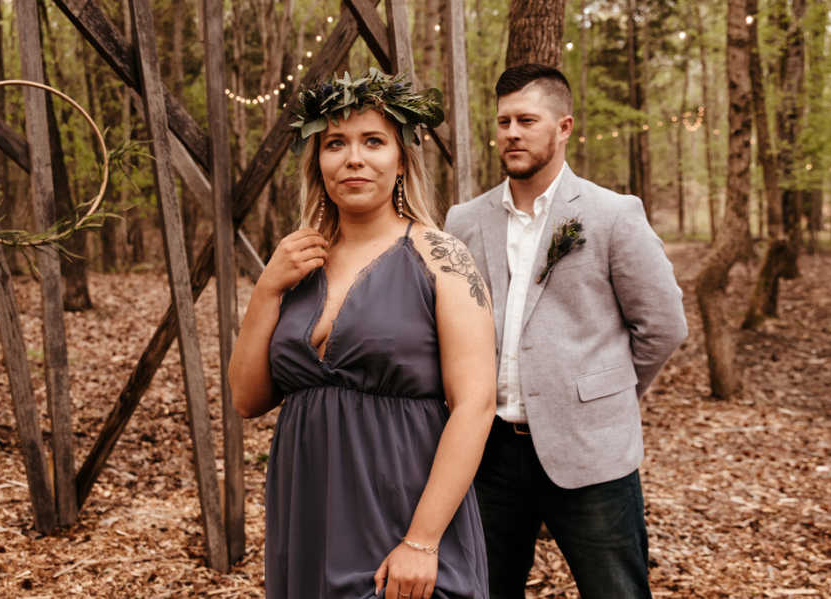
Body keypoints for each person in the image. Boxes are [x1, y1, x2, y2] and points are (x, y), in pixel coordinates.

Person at [229, 69, 496, 599]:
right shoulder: (298, 262)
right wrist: (266, 292)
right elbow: (246, 399)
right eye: (335, 144)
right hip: (309, 512)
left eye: (373, 141)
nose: (353, 158)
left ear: (401, 162)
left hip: (401, 512)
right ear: (318, 163)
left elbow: (476, 404)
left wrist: (421, 541)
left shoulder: (441, 257)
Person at [444, 64, 688, 599]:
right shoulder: (464, 220)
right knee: (482, 589)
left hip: (590, 449)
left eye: (527, 120)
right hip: (488, 454)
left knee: (616, 591)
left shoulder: (611, 214)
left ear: (564, 127)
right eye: (504, 120)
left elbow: (663, 325)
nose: (511, 132)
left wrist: (602, 393)